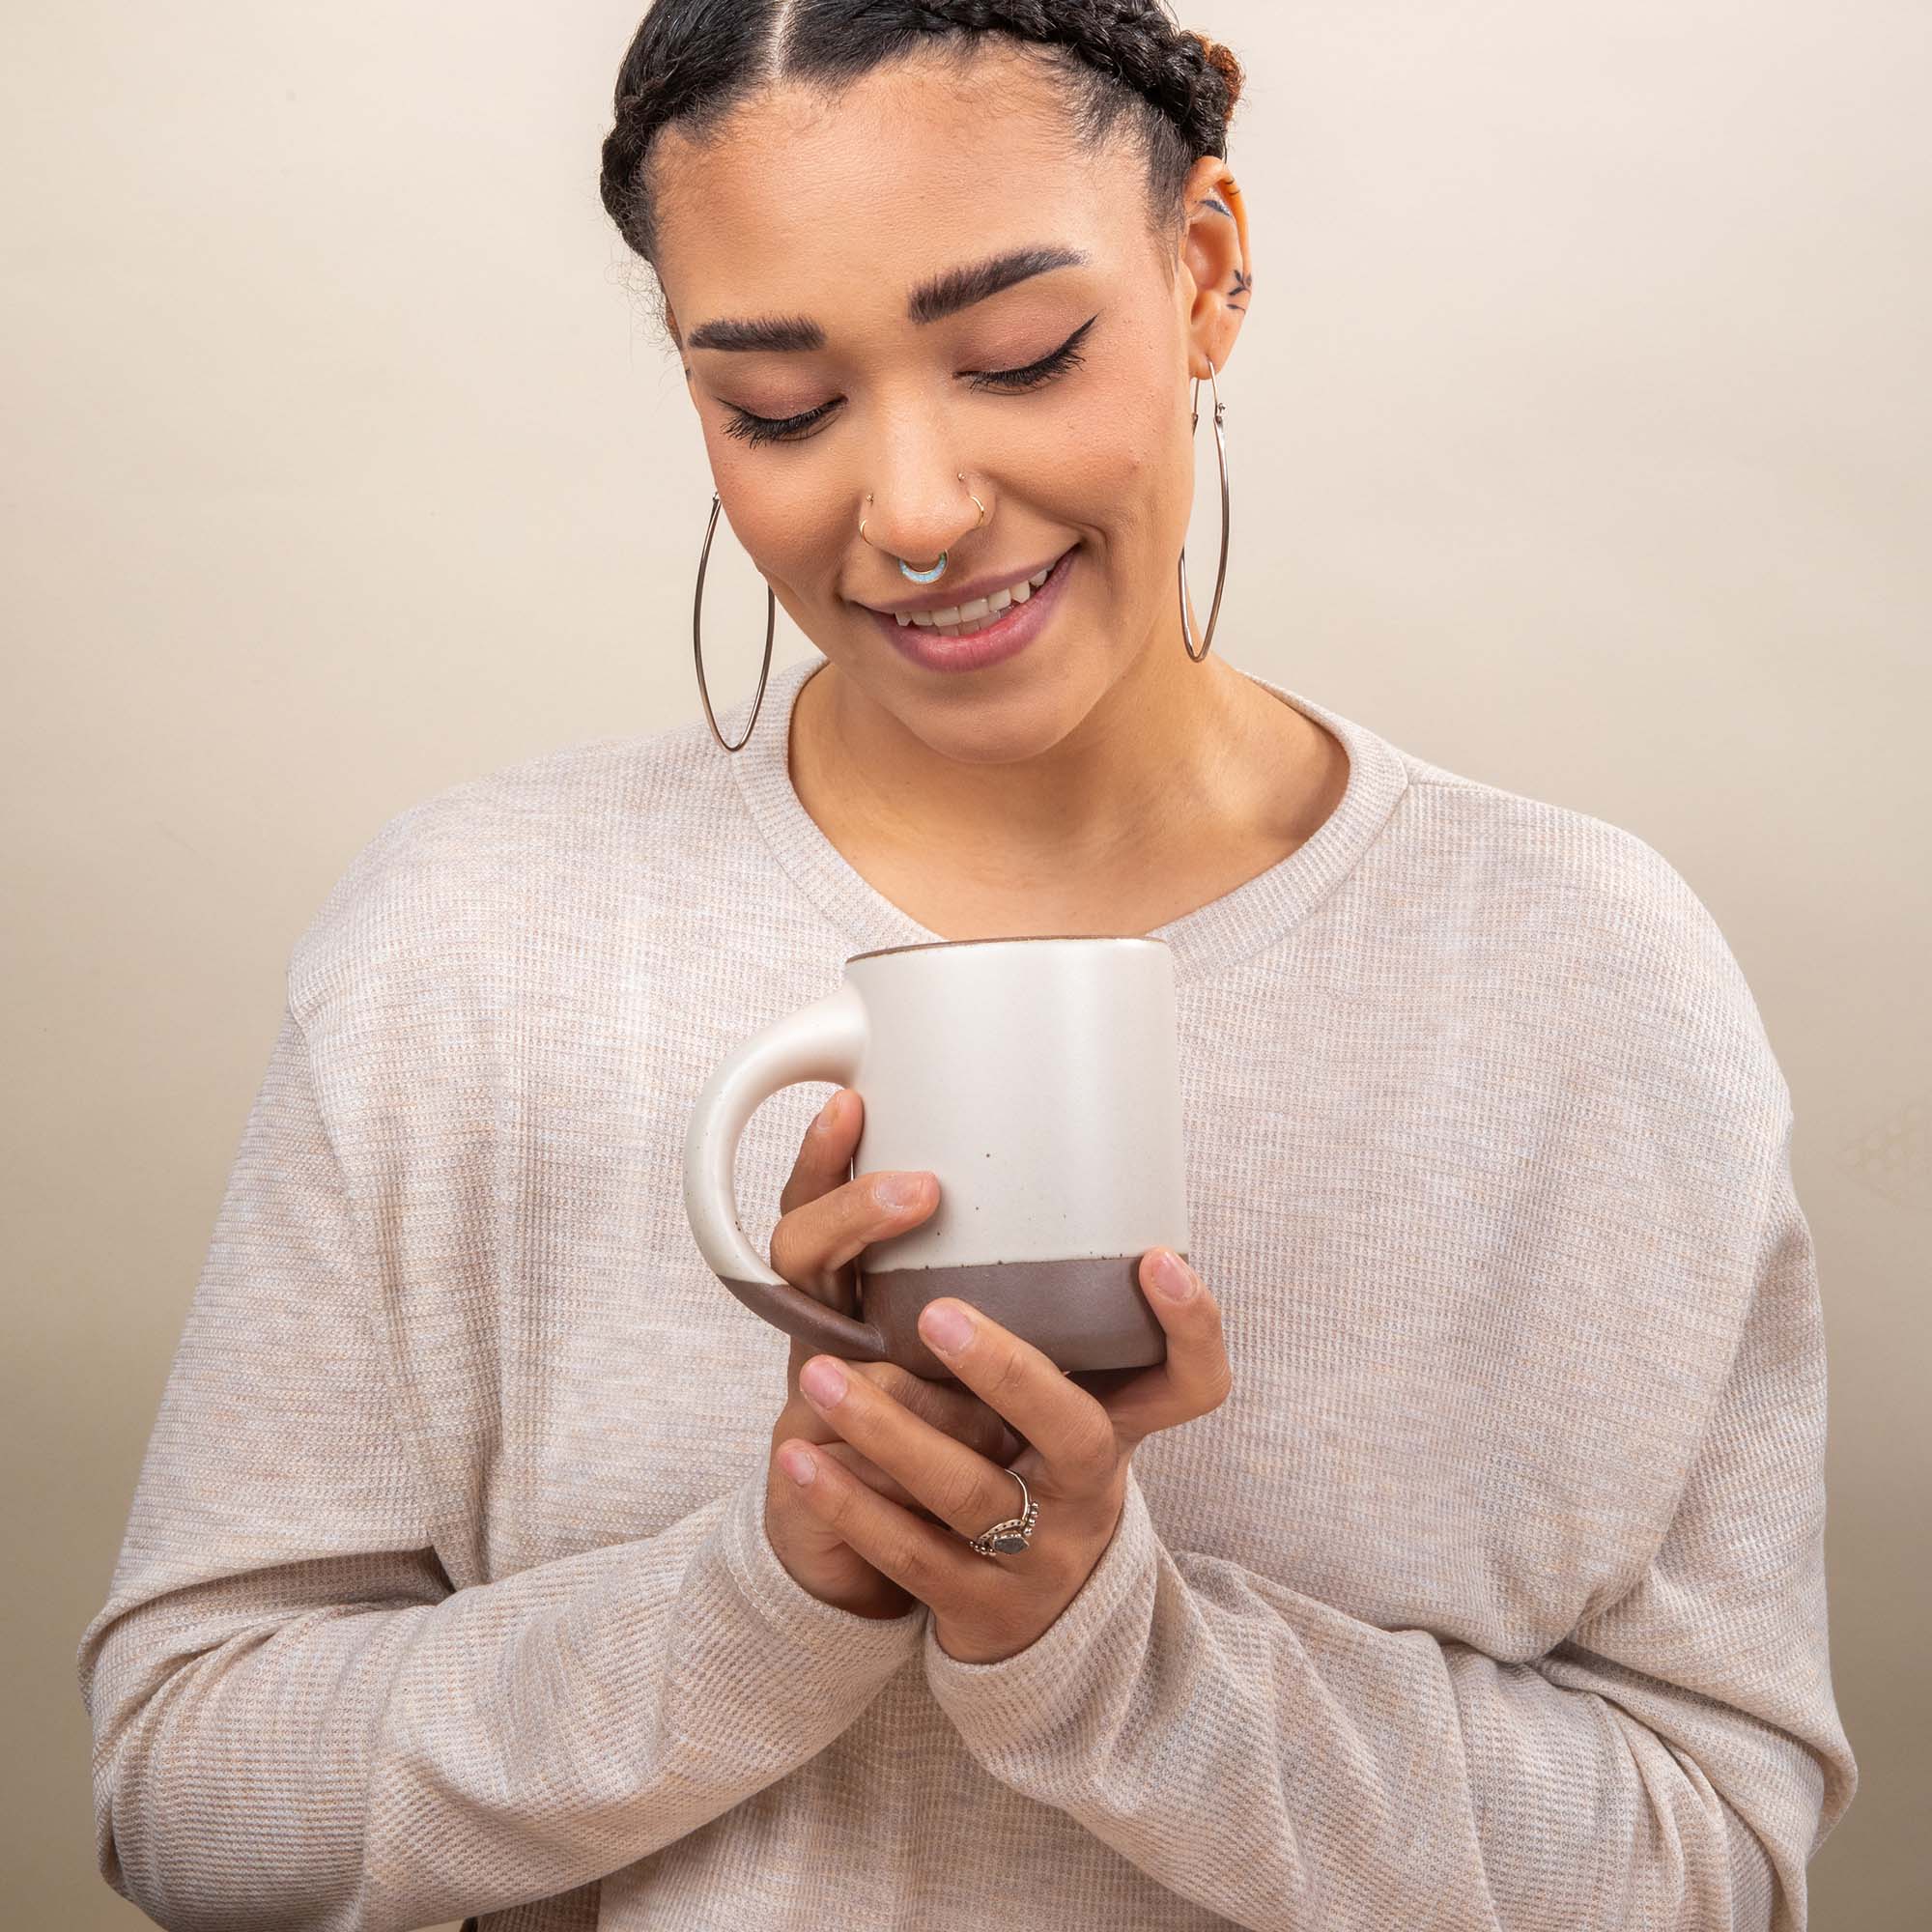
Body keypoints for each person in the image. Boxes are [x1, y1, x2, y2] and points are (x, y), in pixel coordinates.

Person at [76, 4, 1858, 1929]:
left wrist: (1113, 1652)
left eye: (1015, 355)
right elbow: (190, 1789)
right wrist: (773, 1592)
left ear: (1201, 274)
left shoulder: (1582, 974)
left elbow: (1716, 1857)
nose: (911, 511)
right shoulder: (469, 940)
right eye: (777, 406)